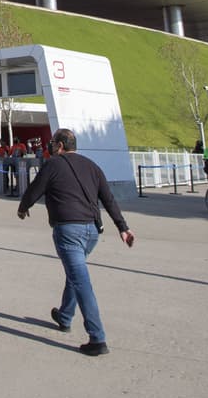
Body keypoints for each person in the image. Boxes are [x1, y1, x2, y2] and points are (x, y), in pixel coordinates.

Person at [17, 128, 135, 356]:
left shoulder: (53, 164)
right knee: (76, 273)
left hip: (68, 230)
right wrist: (123, 227)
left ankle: (97, 338)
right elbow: (108, 199)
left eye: (52, 143)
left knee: (81, 281)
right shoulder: (92, 166)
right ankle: (64, 316)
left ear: (60, 145)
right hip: (92, 231)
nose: (50, 146)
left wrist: (23, 208)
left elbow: (35, 189)